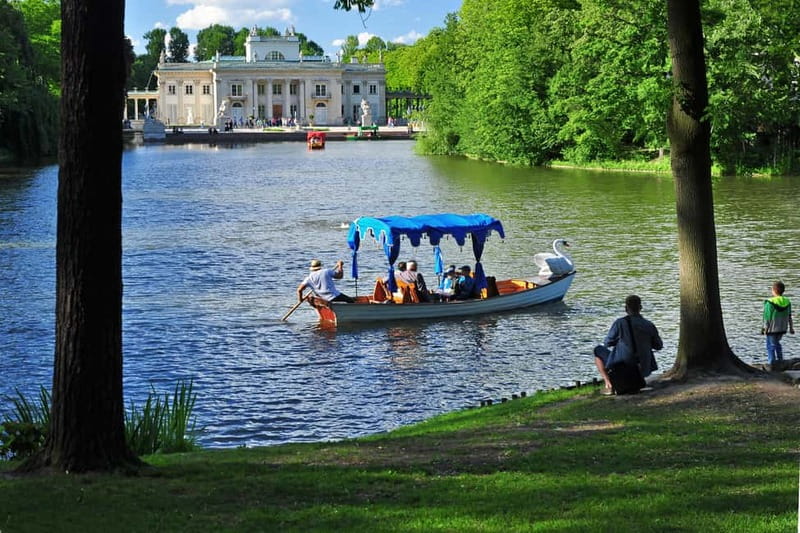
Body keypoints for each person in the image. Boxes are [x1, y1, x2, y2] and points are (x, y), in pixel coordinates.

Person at [593, 295, 663, 395]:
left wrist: (620, 341)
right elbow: (658, 346)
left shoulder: (620, 323)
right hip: (644, 366)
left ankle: (608, 384)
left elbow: (607, 342)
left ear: (626, 308)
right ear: (640, 308)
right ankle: (636, 378)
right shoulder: (649, 324)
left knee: (598, 350)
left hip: (624, 365)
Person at [762, 281, 794, 367]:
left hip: (772, 328)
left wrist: (765, 328)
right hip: (782, 328)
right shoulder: (787, 301)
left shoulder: (769, 302)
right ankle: (780, 360)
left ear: (773, 290)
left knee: (770, 346)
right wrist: (791, 328)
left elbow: (767, 316)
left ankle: (771, 363)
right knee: (777, 343)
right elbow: (789, 315)